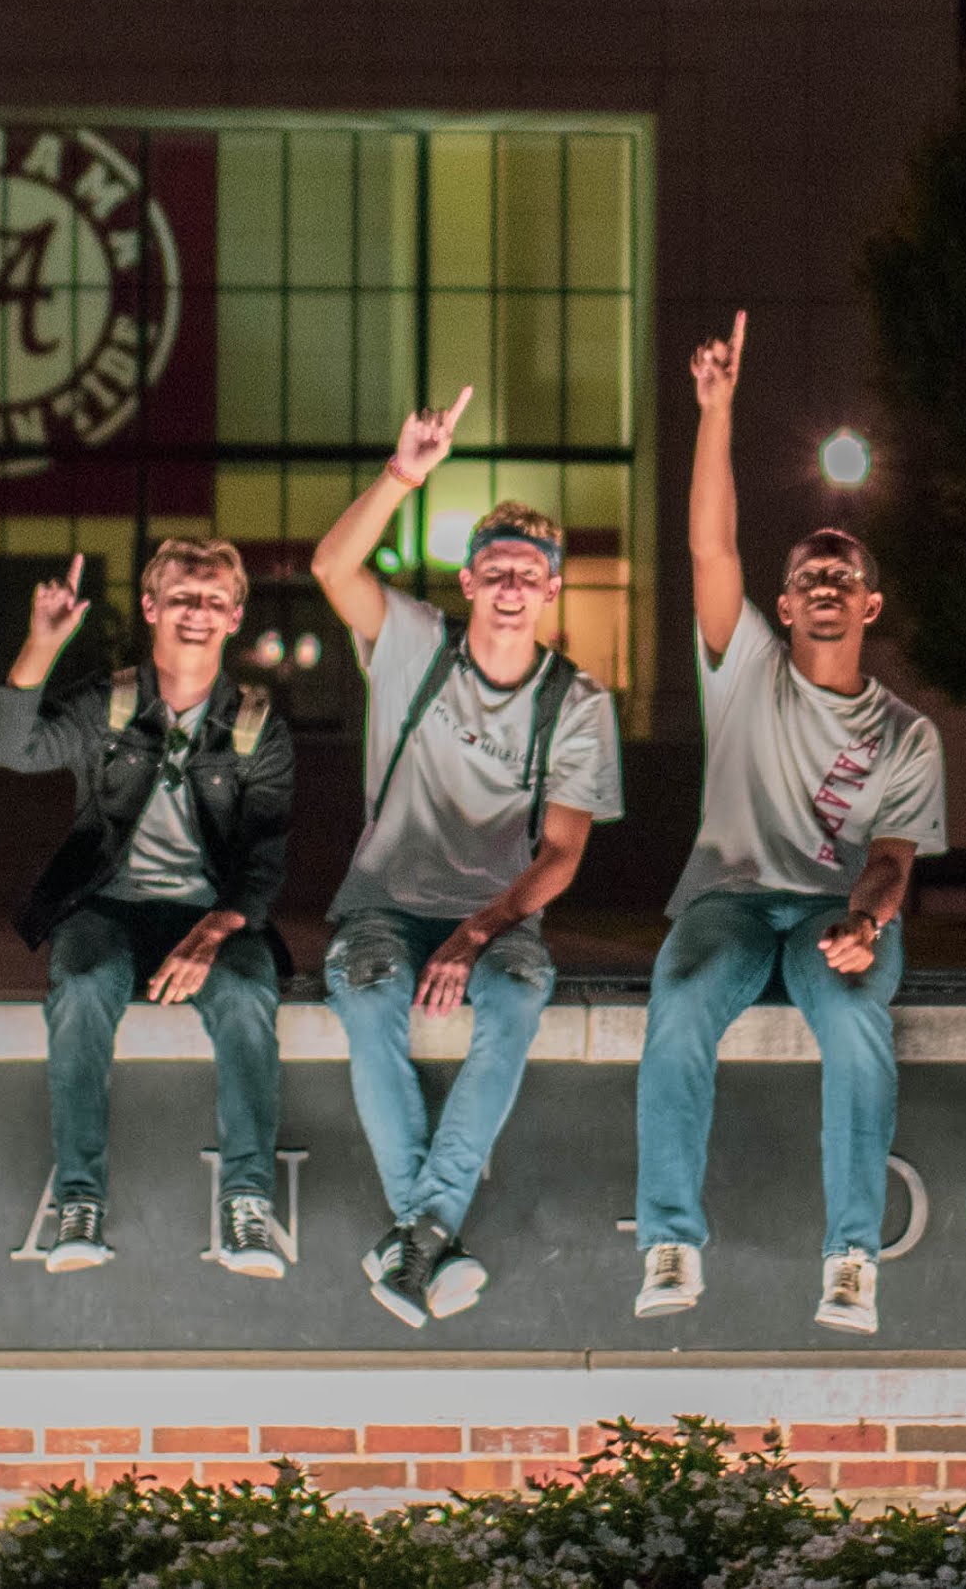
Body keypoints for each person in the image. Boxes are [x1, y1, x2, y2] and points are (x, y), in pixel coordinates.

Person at [631, 307, 947, 1336]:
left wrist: (866, 921)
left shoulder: (906, 733)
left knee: (855, 1021)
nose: (822, 583)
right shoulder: (744, 671)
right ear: (782, 599)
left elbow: (892, 857)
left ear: (869, 605)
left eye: (840, 575)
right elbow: (707, 540)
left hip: (829, 911)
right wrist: (714, 409)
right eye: (807, 573)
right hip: (730, 899)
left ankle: (851, 1256)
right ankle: (669, 1239)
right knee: (678, 999)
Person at [306, 382, 621, 1331]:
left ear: (554, 588)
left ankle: (417, 1234)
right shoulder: (412, 644)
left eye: (533, 570)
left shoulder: (577, 701)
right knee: (365, 995)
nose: (515, 584)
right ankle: (428, 1231)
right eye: (498, 568)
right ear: (471, 581)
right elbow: (332, 565)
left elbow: (562, 853)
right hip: (384, 897)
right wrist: (404, 475)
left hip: (499, 908)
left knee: (517, 998)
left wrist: (479, 932)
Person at [0, 535, 298, 1278]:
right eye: (183, 597)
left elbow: (265, 860)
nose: (198, 612)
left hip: (213, 918)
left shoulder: (258, 727)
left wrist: (213, 932)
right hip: (107, 907)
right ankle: (79, 1201)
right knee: (85, 985)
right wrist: (41, 645)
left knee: (251, 990)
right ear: (153, 606)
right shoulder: (110, 703)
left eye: (215, 600)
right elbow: (6, 747)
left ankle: (246, 1206)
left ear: (235, 616)